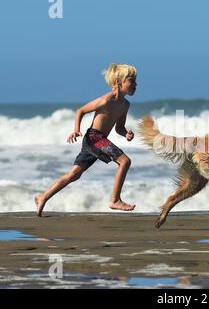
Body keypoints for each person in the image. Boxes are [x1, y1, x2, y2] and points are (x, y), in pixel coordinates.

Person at [35, 63, 138, 216]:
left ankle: (42, 196)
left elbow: (119, 127)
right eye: (131, 80)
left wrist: (126, 134)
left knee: (74, 174)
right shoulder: (105, 100)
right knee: (125, 161)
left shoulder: (125, 105)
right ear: (118, 82)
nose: (135, 84)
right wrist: (76, 130)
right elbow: (81, 110)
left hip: (97, 140)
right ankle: (115, 200)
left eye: (135, 81)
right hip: (93, 137)